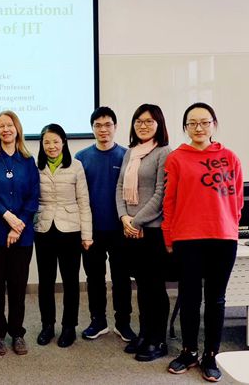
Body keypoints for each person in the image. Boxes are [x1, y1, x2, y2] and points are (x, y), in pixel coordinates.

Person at [163, 103, 243, 382]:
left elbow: (237, 201)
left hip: (223, 238)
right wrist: (168, 236)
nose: (199, 128)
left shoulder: (230, 157)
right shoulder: (176, 158)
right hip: (187, 239)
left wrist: (230, 226)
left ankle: (211, 355)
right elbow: (169, 201)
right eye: (192, 123)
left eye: (204, 122)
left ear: (214, 124)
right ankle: (189, 352)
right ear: (185, 127)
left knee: (216, 299)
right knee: (190, 298)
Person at [0, 111, 39, 356]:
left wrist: (17, 224)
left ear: (17, 129)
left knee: (17, 287)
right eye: (1, 126)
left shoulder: (28, 160)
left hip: (21, 234)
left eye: (9, 125)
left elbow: (33, 196)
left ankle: (17, 333)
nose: (5, 130)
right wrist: (8, 217)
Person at [116, 103, 172, 362]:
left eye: (149, 121)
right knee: (141, 285)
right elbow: (119, 188)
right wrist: (124, 218)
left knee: (155, 287)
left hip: (152, 231)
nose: (143, 125)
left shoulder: (163, 152)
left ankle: (158, 340)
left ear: (158, 124)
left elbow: (161, 194)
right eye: (139, 121)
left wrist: (136, 222)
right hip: (131, 229)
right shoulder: (130, 152)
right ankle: (145, 333)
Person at [75, 107, 135, 342]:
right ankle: (98, 321)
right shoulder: (81, 158)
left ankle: (123, 323)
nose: (103, 129)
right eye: (98, 125)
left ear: (115, 127)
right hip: (92, 231)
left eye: (108, 124)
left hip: (121, 230)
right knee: (94, 278)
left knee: (121, 278)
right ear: (92, 128)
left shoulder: (127, 156)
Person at [35, 123, 92, 349]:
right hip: (43, 229)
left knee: (70, 281)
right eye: (47, 142)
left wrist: (87, 235)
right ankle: (47, 325)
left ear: (64, 142)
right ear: (42, 144)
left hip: (70, 230)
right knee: (45, 281)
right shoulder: (35, 166)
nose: (51, 146)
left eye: (56, 141)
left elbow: (84, 202)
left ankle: (69, 327)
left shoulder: (76, 166)